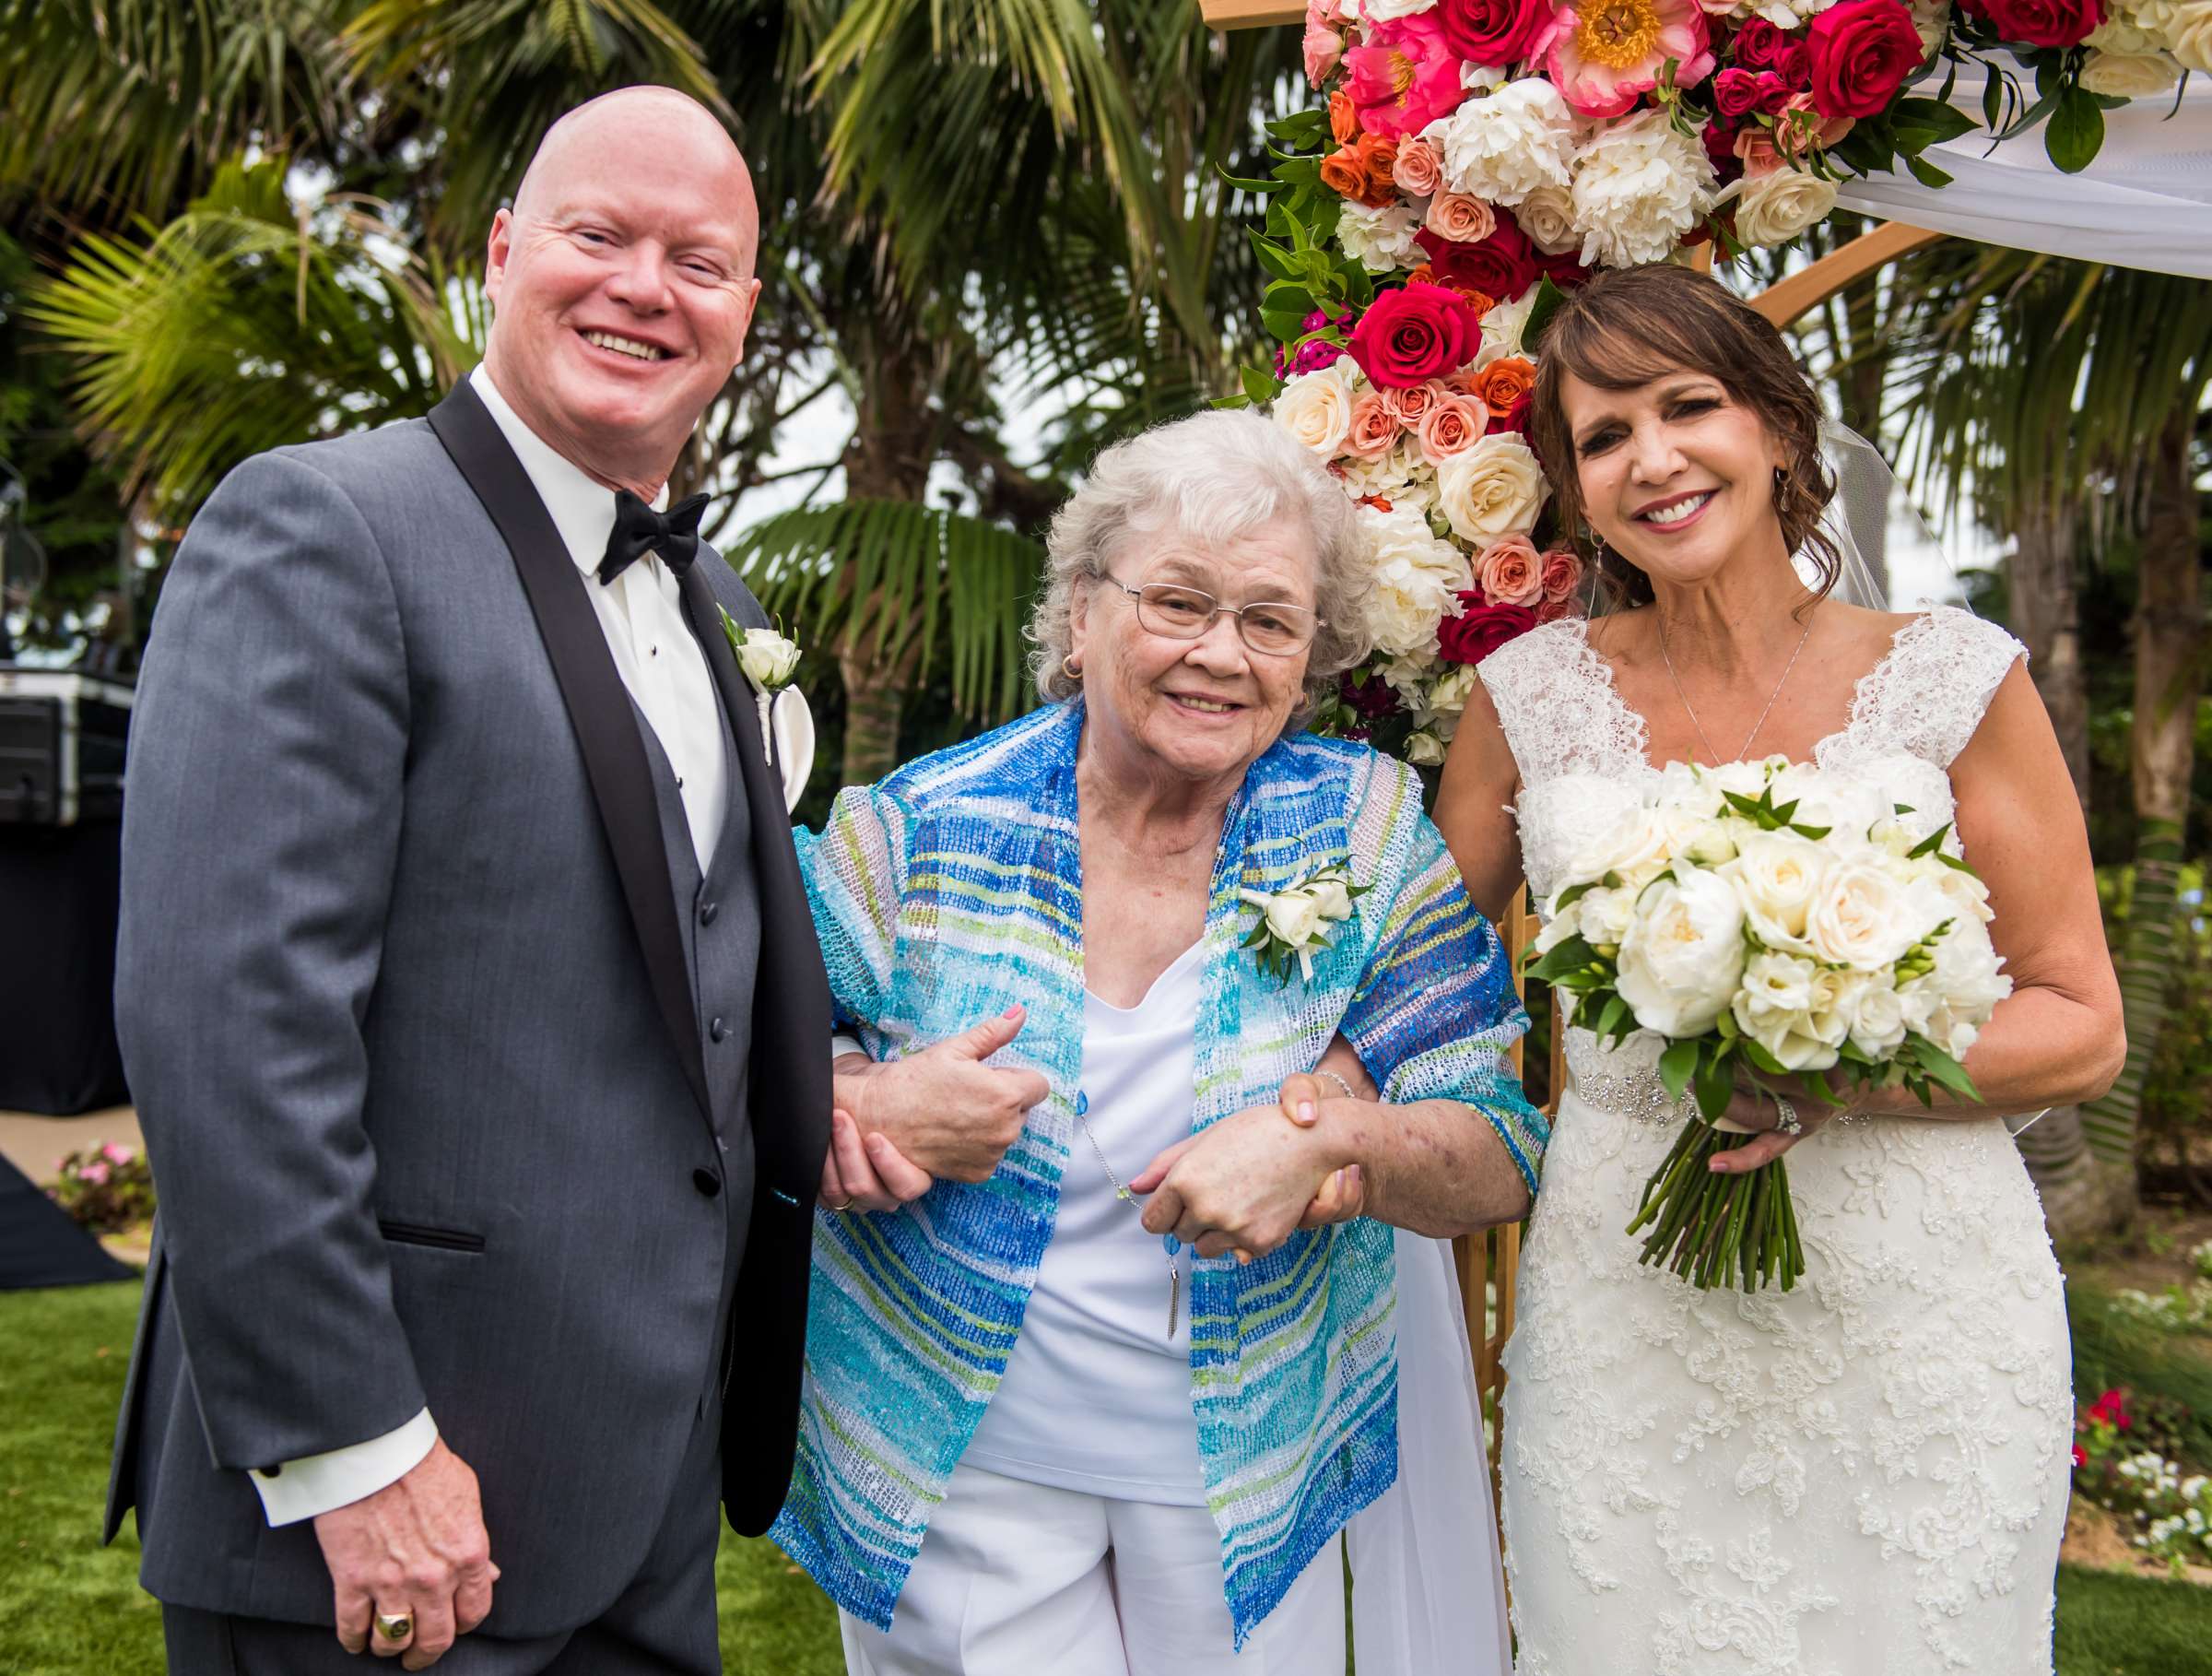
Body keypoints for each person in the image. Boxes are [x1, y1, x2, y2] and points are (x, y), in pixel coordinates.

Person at [110, 88, 853, 1675]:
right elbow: (227, 1022)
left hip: (641, 1500)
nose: (644, 287)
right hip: (383, 1518)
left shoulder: (716, 598)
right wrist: (358, 1451)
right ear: (504, 249)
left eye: (699, 260)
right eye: (598, 235)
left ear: (744, 309)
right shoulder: (325, 526)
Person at [773, 407, 1547, 1676]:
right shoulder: (915, 828)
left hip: (1250, 1474)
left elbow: (1500, 1143)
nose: (1220, 654)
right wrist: (860, 1098)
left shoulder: (1362, 833)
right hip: (963, 1465)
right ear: (1081, 617)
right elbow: (732, 1067)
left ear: (1311, 654)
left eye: (1268, 619)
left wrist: (1327, 1144)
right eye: (1177, 602)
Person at [1436, 263, 2126, 1675]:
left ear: (1780, 432)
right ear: (1574, 486)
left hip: (1918, 1311)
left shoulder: (1952, 676)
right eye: (1605, 435)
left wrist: (1835, 1065)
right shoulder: (1529, 700)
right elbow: (1417, 970)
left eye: (1689, 407)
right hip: (1627, 1302)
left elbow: (2079, 1024)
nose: (1654, 458)